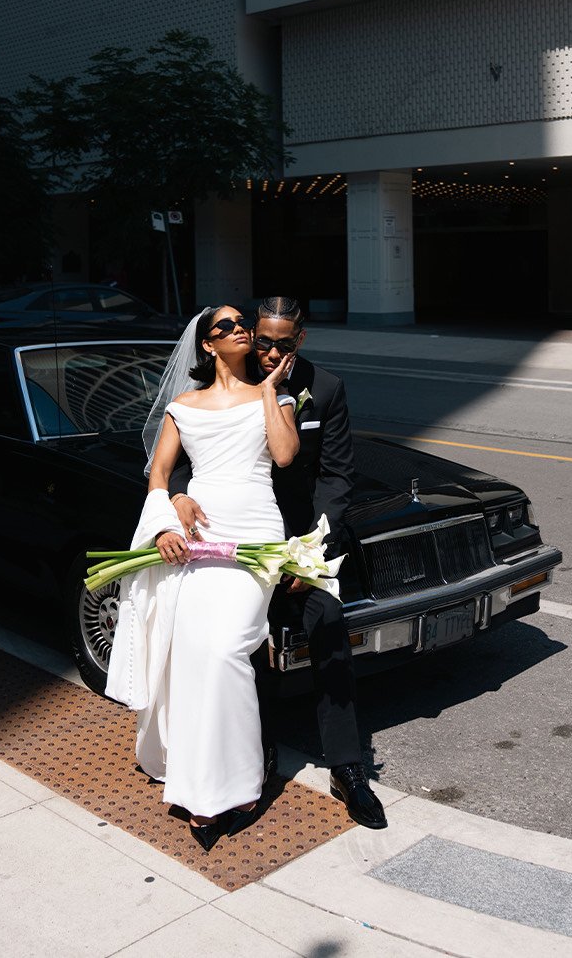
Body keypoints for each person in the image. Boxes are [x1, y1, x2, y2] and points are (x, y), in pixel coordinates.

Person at [170, 296, 388, 831]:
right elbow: (185, 457)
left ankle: (347, 765)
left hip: (298, 540)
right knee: (238, 641)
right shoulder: (227, 383)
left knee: (328, 624)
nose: (268, 352)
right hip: (228, 540)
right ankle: (256, 756)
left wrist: (308, 549)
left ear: (300, 341)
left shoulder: (326, 388)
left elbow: (337, 477)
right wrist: (177, 498)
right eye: (260, 340)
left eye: (281, 344)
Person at [103, 305, 299, 851]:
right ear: (208, 346)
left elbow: (283, 456)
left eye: (244, 325)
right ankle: (198, 786)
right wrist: (171, 513)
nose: (240, 330)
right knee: (190, 652)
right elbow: (159, 476)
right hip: (199, 541)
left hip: (256, 537)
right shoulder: (182, 406)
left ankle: (240, 782)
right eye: (226, 327)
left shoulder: (276, 396)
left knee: (225, 650)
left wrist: (268, 389)